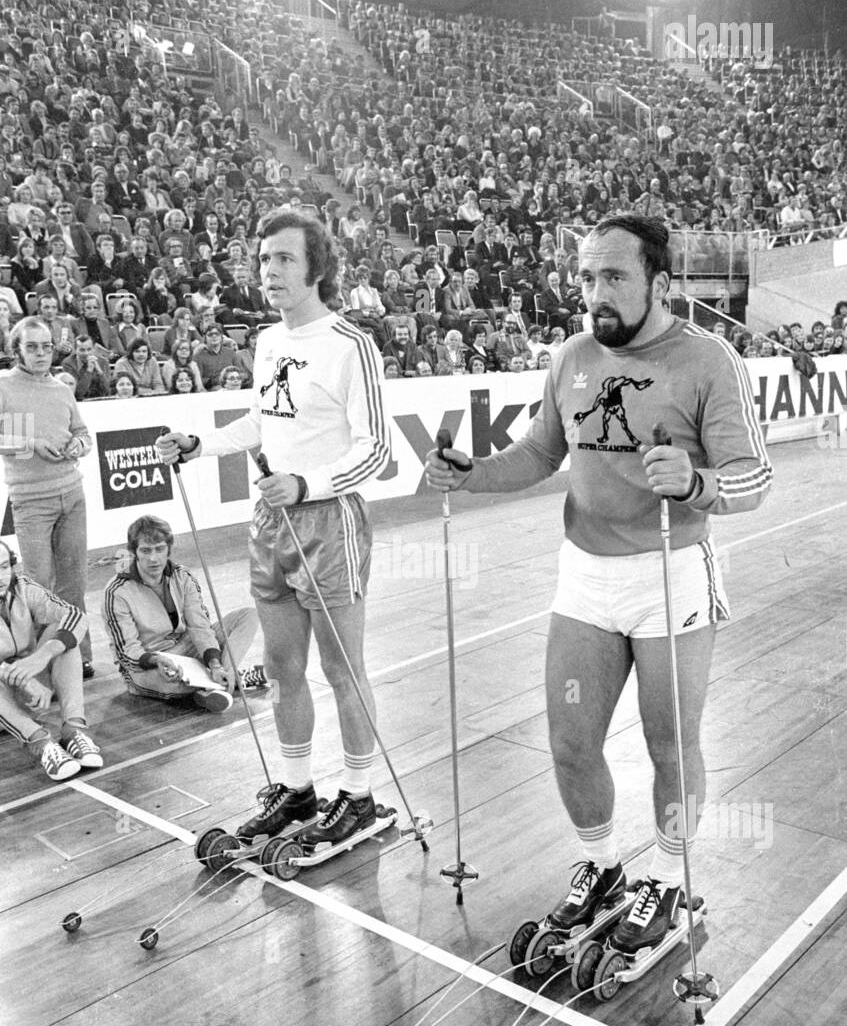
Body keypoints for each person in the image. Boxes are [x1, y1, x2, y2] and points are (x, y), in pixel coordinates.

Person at [426, 215, 773, 953]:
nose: (594, 294)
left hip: (669, 574)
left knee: (667, 743)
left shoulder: (707, 360)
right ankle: (601, 867)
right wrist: (472, 474)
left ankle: (669, 877)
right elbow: (537, 452)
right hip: (584, 575)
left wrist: (697, 480)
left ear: (659, 282)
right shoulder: (570, 356)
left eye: (612, 277)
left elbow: (754, 477)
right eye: (586, 277)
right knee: (569, 741)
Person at [156, 208, 390, 854]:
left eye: (284, 258)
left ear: (316, 267)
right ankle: (296, 788)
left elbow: (377, 451)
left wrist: (307, 485)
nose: (270, 270)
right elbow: (263, 422)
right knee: (283, 669)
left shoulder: (349, 345)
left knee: (344, 671)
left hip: (328, 519)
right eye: (263, 260)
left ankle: (359, 794)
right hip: (269, 522)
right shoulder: (266, 342)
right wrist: (198, 444)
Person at [0, 318, 94, 675]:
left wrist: (79, 444)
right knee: (38, 589)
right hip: (31, 502)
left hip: (72, 496)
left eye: (46, 347)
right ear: (17, 349)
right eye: (32, 347)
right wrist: (30, 444)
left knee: (74, 586)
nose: (41, 353)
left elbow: (83, 433)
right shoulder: (4, 386)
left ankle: (79, 658)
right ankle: (42, 665)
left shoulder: (60, 388)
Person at [103, 515, 264, 712]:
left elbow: (200, 627)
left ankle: (224, 675)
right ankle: (227, 681)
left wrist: (215, 665)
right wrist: (155, 660)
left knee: (248, 616)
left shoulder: (183, 576)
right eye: (145, 550)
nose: (153, 558)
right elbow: (126, 651)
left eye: (160, 549)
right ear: (134, 552)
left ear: (169, 549)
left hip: (186, 648)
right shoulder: (117, 591)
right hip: (149, 662)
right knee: (173, 685)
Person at [0, 539, 101, 781]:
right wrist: (23, 678)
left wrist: (42, 656)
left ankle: (74, 730)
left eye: (3, 567)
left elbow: (74, 615)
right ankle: (41, 742)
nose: (0, 577)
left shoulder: (22, 587)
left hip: (26, 687)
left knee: (64, 633)